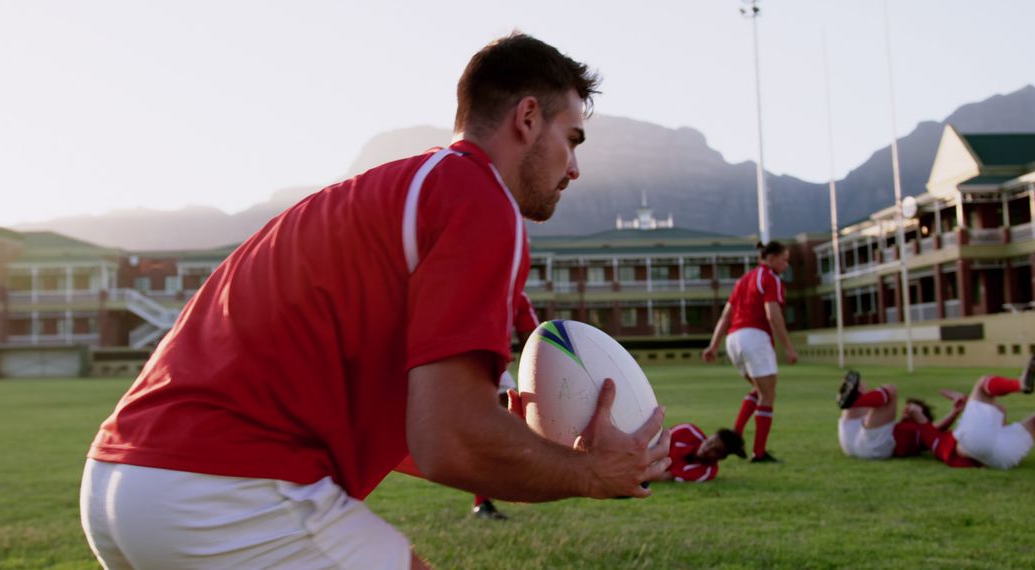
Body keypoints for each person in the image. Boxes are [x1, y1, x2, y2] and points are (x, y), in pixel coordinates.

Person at [80, 33, 672, 570]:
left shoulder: (384, 196)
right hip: (223, 490)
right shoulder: (478, 201)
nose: (574, 167)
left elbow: (428, 440)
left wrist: (521, 451)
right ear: (526, 118)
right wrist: (592, 473)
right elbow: (449, 443)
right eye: (571, 140)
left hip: (121, 483)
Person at [702, 241, 796, 463]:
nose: (786, 263)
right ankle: (759, 452)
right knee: (767, 394)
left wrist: (714, 345)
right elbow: (773, 315)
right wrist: (789, 347)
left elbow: (726, 316)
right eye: (784, 259)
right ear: (770, 258)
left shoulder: (743, 280)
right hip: (754, 337)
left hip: (734, 340)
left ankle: (736, 437)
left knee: (760, 390)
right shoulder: (770, 278)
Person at [473, 290, 540, 520]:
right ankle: (483, 501)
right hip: (471, 367)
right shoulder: (514, 293)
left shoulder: (516, 295)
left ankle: (486, 499)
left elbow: (533, 341)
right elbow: (534, 342)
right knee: (491, 435)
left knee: (510, 428)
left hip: (491, 367)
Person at [944, 355, 1035, 470]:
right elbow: (928, 427)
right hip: (981, 444)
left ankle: (1021, 384)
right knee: (982, 385)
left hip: (1002, 457)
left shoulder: (927, 435)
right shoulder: (927, 431)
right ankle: (1019, 384)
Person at [836, 371, 965, 460]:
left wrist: (954, 412)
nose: (907, 409)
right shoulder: (897, 426)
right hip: (850, 442)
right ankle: (856, 397)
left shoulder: (920, 432)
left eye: (912, 406)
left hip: (873, 448)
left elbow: (937, 430)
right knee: (860, 386)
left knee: (891, 389)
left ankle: (856, 399)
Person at [655, 423, 745, 483]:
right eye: (709, 442)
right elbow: (654, 441)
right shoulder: (687, 431)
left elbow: (665, 476)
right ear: (710, 436)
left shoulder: (706, 471)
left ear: (721, 458)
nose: (707, 449)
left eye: (715, 451)